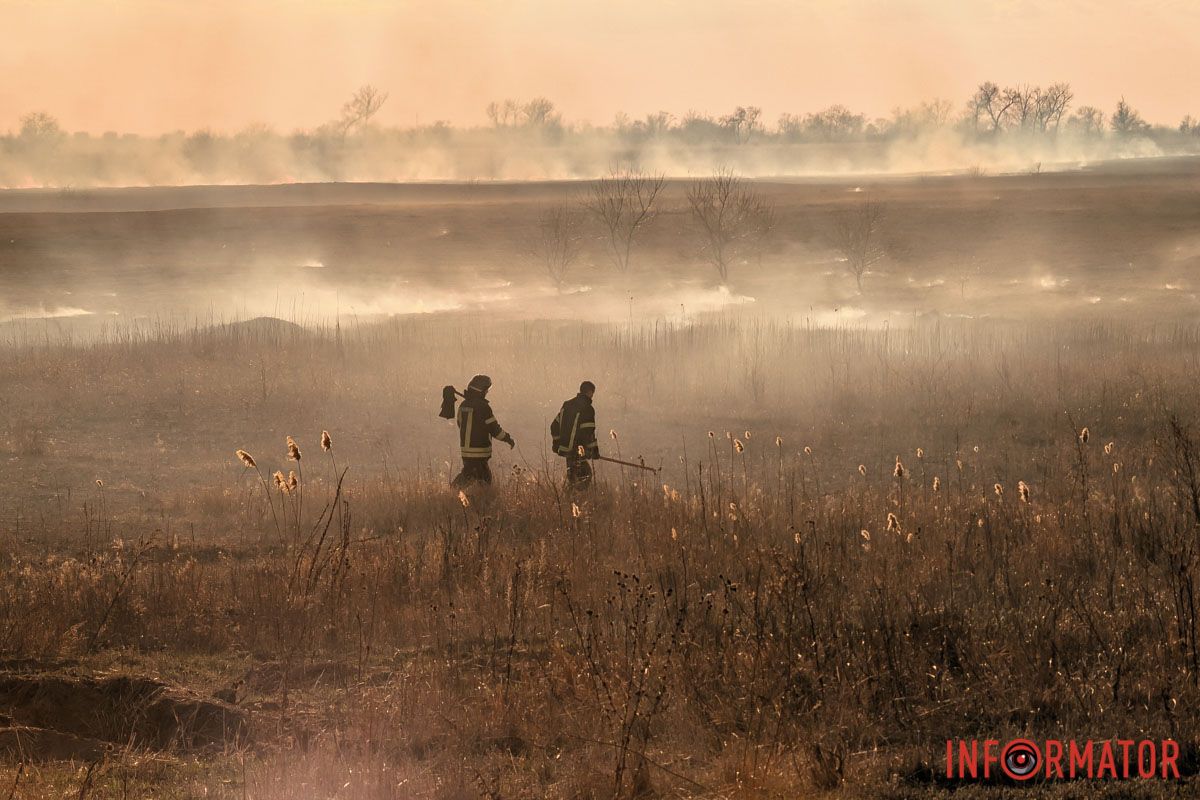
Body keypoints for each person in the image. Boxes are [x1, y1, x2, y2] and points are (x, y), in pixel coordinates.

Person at [452, 374, 515, 487]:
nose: (487, 392)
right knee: (484, 480)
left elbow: (460, 423)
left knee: (469, 474)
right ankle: (454, 490)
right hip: (479, 451)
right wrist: (508, 438)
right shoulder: (484, 408)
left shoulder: (463, 405)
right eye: (486, 390)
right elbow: (494, 429)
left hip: (466, 451)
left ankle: (456, 493)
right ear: (481, 391)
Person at [551, 381, 599, 488]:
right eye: (592, 393)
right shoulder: (587, 408)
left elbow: (554, 426)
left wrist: (557, 443)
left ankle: (566, 496)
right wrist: (593, 451)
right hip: (578, 451)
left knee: (573, 477)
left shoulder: (567, 405)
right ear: (589, 392)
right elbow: (588, 432)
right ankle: (574, 496)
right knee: (584, 479)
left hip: (566, 450)